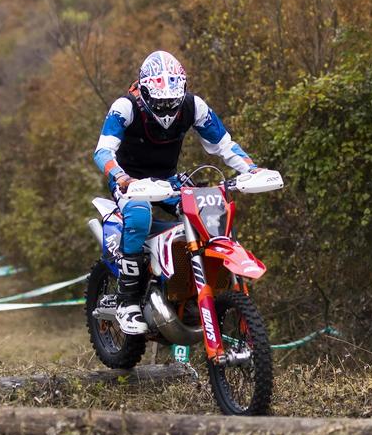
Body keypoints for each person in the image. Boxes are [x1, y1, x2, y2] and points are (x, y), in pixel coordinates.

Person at [94, 50, 260, 335]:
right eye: (160, 102)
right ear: (144, 90)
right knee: (138, 215)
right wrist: (120, 176)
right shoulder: (125, 107)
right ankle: (127, 300)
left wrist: (251, 169)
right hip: (130, 181)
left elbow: (224, 144)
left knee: (209, 211)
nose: (167, 107)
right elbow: (103, 150)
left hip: (168, 180)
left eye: (172, 101)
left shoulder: (194, 106)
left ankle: (196, 285)